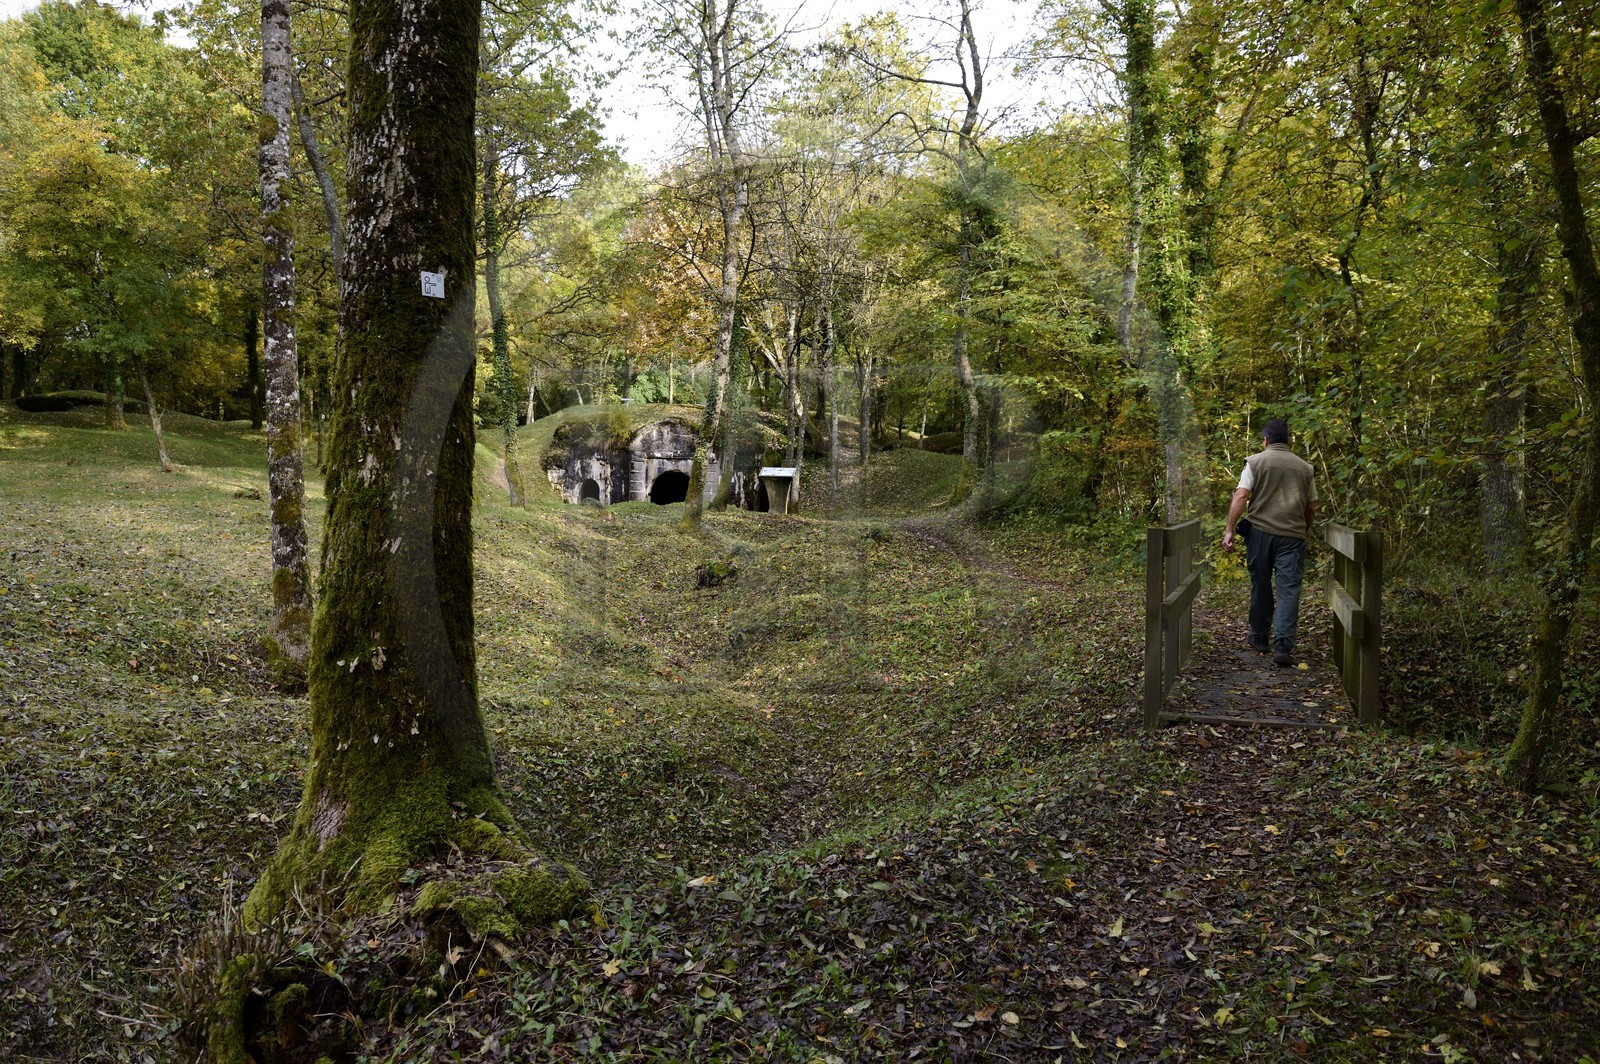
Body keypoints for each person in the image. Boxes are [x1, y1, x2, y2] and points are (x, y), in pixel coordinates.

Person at [1222, 418, 1317, 667]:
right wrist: (1303, 528)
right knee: (1289, 591)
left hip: (1261, 533)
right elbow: (1310, 507)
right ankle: (1283, 646)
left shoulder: (1255, 462)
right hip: (1292, 537)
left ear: (1265, 440)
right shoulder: (1306, 468)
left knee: (1261, 584)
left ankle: (1260, 637)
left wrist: (1229, 529)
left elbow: (1242, 495)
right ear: (1289, 441)